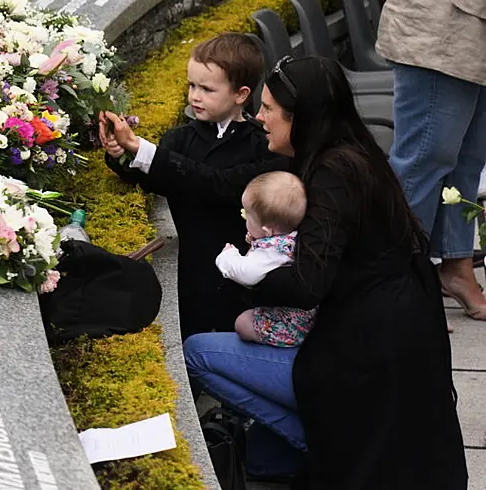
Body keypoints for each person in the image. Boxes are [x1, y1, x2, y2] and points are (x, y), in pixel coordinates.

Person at [101, 56, 466, 488]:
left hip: (364, 356)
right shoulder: (346, 154)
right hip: (388, 341)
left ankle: (319, 441)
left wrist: (242, 274)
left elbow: (307, 284)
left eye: (270, 109)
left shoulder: (332, 174)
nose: (259, 116)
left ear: (301, 117)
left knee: (197, 352)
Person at [99, 33, 280, 341]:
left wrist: (142, 148)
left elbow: (216, 184)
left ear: (241, 94)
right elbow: (150, 176)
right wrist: (121, 154)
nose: (195, 96)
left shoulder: (261, 145)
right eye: (192, 86)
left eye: (207, 89)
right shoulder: (181, 138)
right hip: (191, 267)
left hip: (239, 274)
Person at [376, 0, 486, 320]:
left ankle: (456, 268)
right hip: (438, 27)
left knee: (467, 160)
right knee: (424, 158)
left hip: (465, 25)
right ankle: (392, 285)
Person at [216, 172, 315, 348]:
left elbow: (247, 274)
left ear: (267, 231)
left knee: (242, 322)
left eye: (247, 217)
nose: (245, 220)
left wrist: (227, 257)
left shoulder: (272, 252)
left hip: (293, 324)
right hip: (299, 313)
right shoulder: (292, 236)